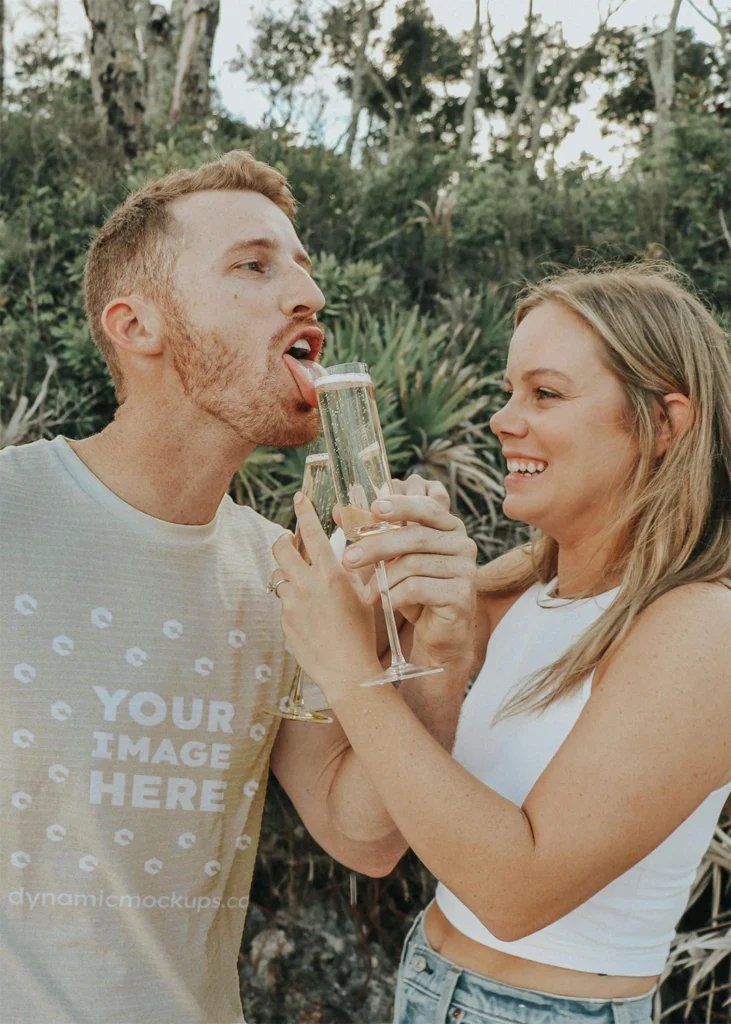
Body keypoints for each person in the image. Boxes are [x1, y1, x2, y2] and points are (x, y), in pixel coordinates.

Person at [0, 150, 477, 1024]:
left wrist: (441, 649)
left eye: (302, 267)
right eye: (254, 266)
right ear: (135, 324)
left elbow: (363, 836)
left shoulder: (283, 574)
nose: (307, 295)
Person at [271, 264, 731, 1024]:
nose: (502, 420)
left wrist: (351, 669)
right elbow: (361, 834)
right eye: (510, 390)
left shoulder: (701, 626)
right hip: (426, 978)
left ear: (664, 424)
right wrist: (420, 638)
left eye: (544, 393)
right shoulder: (515, 588)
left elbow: (515, 892)